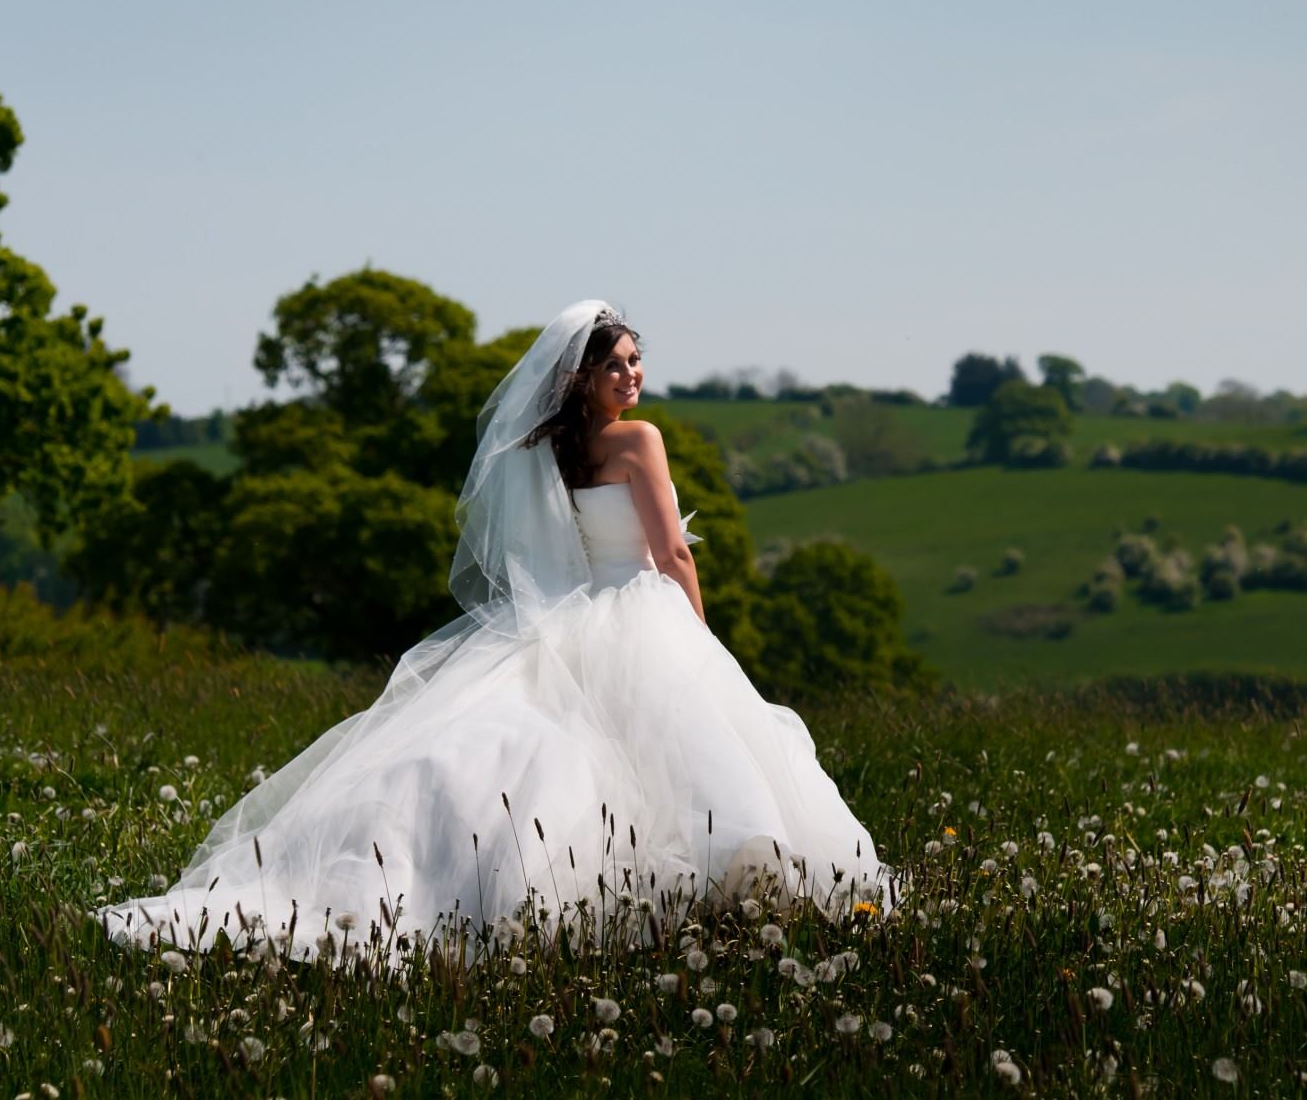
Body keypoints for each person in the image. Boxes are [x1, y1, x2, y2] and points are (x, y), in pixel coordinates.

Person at [98, 300, 900, 965]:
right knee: (697, 765)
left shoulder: (557, 450)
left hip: (582, 610)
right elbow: (670, 551)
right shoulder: (639, 440)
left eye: (635, 361)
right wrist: (703, 636)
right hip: (643, 608)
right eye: (616, 364)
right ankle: (714, 907)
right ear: (582, 377)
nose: (633, 375)